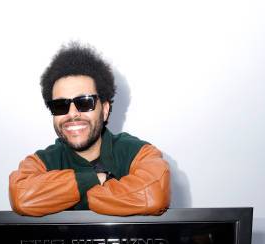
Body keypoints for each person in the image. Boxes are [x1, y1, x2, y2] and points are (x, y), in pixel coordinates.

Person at [9, 43, 170, 216]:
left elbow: (153, 194)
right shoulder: (40, 162)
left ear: (105, 109)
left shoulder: (138, 153)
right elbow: (22, 197)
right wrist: (96, 179)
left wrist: (63, 196)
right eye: (60, 105)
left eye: (84, 102)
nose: (72, 114)